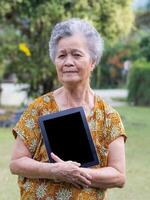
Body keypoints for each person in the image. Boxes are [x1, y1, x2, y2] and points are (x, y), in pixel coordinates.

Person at [10, 18, 127, 200]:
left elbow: (118, 176)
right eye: (62, 55)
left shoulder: (108, 116)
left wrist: (76, 173)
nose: (68, 62)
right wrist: (55, 171)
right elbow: (16, 163)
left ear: (93, 61)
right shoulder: (39, 108)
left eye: (77, 54)